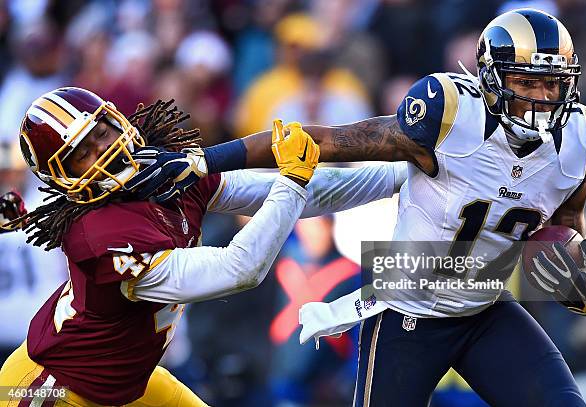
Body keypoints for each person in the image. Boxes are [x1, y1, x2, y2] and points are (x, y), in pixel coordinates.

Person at [228, 8, 586, 406]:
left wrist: (583, 277)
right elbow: (324, 140)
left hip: (485, 307)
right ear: (492, 80)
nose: (542, 99)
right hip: (407, 308)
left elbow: (567, 225)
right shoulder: (450, 115)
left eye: (552, 84)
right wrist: (209, 160)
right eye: (527, 82)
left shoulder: (580, 136)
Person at [0, 87, 408, 405]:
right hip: (52, 391)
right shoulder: (98, 236)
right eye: (82, 155)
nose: (102, 150)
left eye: (100, 133)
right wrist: (293, 181)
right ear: (62, 177)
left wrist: (403, 176)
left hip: (123, 384)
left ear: (116, 119)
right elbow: (240, 269)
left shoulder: (165, 175)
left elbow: (305, 194)